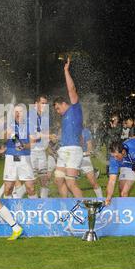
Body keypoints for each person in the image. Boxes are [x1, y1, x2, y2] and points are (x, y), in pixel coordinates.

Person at [53, 57, 84, 198]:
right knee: (58, 179)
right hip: (64, 150)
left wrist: (66, 71)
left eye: (57, 108)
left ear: (64, 103)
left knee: (70, 182)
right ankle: (66, 207)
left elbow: (71, 89)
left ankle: (86, 210)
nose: (57, 112)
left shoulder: (74, 109)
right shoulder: (64, 117)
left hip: (73, 150)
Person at [2, 105, 37, 199]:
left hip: (25, 158)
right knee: (8, 188)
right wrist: (7, 133)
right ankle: (9, 209)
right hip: (10, 158)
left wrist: (25, 146)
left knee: (30, 188)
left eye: (20, 111)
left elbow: (33, 144)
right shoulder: (8, 124)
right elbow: (3, 140)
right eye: (16, 111)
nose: (18, 114)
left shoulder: (29, 125)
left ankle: (36, 209)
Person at [30, 94, 51, 198]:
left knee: (44, 179)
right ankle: (33, 203)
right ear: (36, 104)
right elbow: (33, 136)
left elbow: (45, 135)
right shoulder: (30, 116)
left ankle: (44, 202)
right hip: (31, 152)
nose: (44, 106)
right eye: (42, 103)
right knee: (31, 181)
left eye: (46, 104)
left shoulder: (45, 118)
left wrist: (48, 144)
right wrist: (48, 135)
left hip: (42, 151)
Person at [80, 126, 103, 198]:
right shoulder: (69, 130)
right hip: (73, 158)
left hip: (84, 158)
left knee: (92, 182)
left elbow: (89, 145)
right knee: (69, 183)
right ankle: (69, 203)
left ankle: (101, 200)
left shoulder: (85, 131)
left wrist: (87, 152)